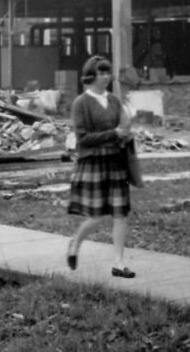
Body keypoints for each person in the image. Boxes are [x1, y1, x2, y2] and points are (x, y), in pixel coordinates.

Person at [66, 55, 137, 278]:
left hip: (116, 161)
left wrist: (125, 136)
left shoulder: (115, 101)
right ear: (91, 76)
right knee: (96, 216)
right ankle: (75, 242)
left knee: (120, 214)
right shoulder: (81, 103)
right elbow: (82, 138)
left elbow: (122, 126)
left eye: (108, 73)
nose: (106, 77)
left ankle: (119, 263)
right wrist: (112, 134)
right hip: (93, 163)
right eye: (101, 73)